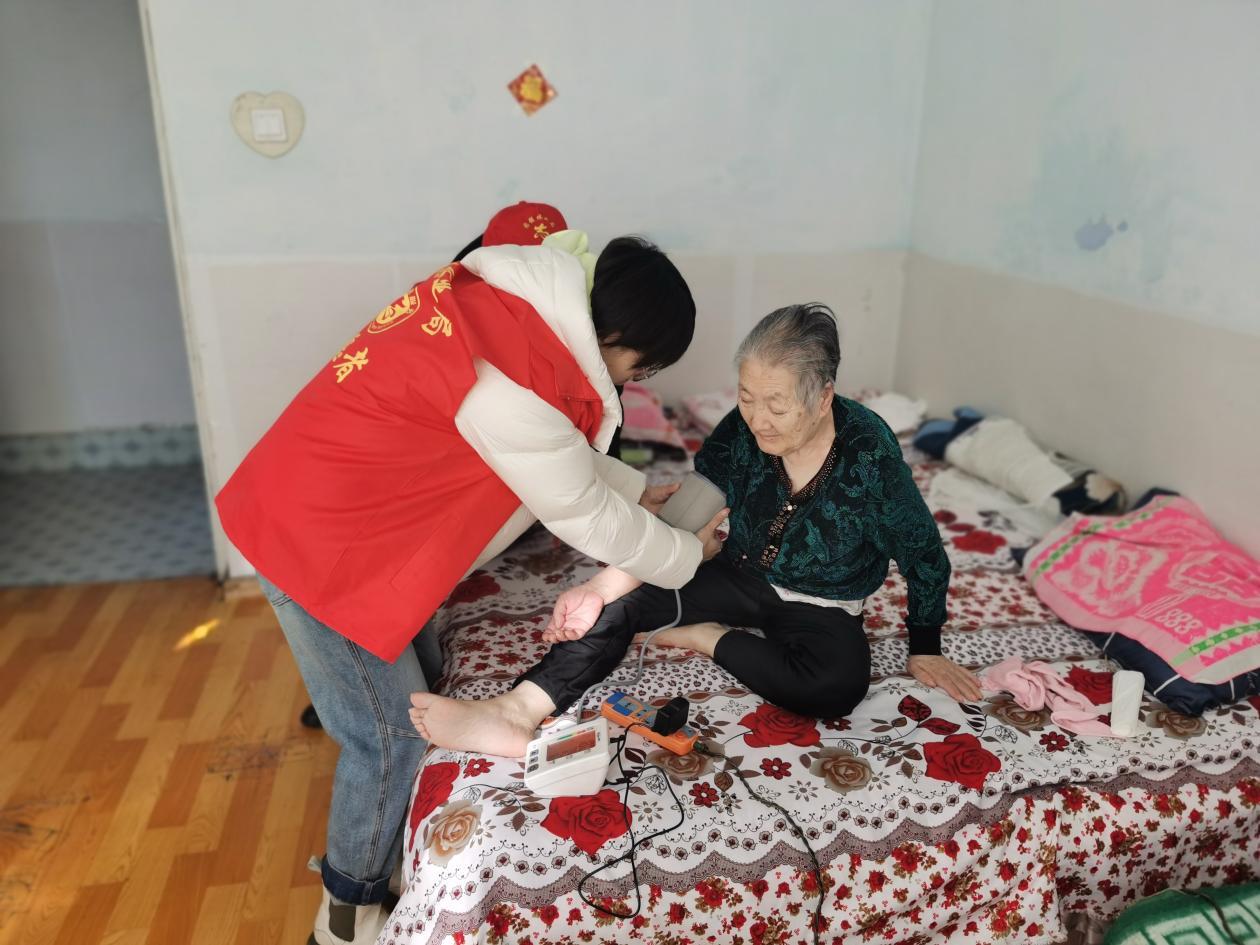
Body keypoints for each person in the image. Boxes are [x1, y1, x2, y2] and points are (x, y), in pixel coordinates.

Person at [214, 205, 726, 945]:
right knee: (389, 736)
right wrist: (684, 553)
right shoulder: (514, 375)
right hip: (320, 546)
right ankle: (345, 913)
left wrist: (632, 490)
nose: (632, 382)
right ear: (616, 339)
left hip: (343, 526)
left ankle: (390, 856)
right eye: (640, 369)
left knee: (423, 686)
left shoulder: (510, 314)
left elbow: (557, 459)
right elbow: (579, 510)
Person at [408, 303, 981, 760]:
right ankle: (515, 711)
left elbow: (924, 552)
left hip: (824, 603)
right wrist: (603, 586)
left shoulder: (870, 457)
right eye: (747, 398)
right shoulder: (740, 430)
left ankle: (706, 636)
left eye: (777, 406)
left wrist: (925, 646)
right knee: (623, 601)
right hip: (738, 570)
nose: (758, 420)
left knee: (837, 687)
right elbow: (691, 510)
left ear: (823, 396)